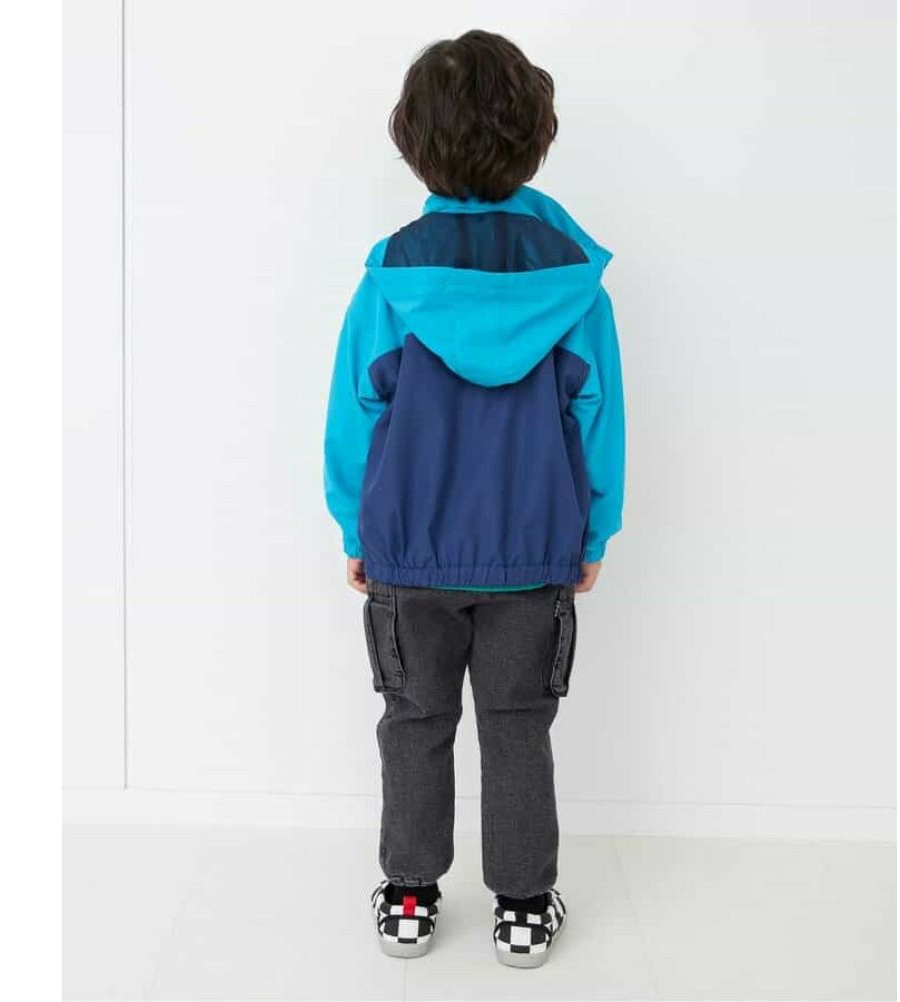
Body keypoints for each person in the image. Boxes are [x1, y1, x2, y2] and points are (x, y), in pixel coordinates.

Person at [324, 28, 625, 968]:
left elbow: (355, 409)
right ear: (535, 136)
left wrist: (354, 524)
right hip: (532, 551)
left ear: (414, 142)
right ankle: (523, 907)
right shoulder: (571, 281)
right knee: (517, 726)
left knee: (414, 721)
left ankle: (410, 896)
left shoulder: (393, 275)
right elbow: (599, 417)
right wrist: (595, 529)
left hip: (410, 552)